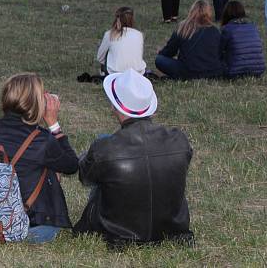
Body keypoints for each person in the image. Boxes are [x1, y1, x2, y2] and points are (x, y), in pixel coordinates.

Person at [74, 69, 193, 247]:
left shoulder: (105, 148)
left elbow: (85, 178)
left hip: (118, 233)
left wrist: (89, 155)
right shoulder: (179, 140)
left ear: (114, 106)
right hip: (172, 230)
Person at [0, 73, 79, 244]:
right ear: (34, 104)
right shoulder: (41, 140)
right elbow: (72, 165)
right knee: (53, 165)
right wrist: (54, 125)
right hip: (34, 226)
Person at [155, 0, 224, 80]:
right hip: (213, 72)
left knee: (159, 59)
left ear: (191, 11)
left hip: (189, 72)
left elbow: (169, 52)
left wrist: (160, 52)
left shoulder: (183, 28)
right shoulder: (215, 30)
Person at [220, 1, 265, 78]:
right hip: (258, 70)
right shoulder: (253, 27)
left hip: (233, 71)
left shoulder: (227, 29)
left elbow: (219, 50)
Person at [96, 7, 146, 75]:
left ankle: (103, 72)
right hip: (137, 73)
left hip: (114, 73)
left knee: (105, 49)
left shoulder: (110, 34)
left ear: (117, 19)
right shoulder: (139, 34)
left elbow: (100, 58)